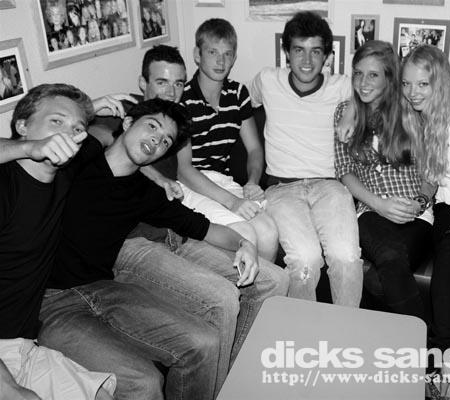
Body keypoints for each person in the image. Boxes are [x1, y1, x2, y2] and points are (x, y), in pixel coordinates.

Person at [39, 98, 276, 400]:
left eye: (165, 141)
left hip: (104, 289)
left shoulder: (145, 193)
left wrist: (245, 243)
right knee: (146, 382)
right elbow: (66, 135)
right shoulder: (79, 160)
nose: (157, 140)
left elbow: (201, 226)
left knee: (205, 343)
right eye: (152, 126)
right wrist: (90, 112)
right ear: (127, 123)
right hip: (52, 301)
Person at [88, 44, 289, 394]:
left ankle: (236, 373)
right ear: (142, 83)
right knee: (224, 297)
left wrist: (242, 242)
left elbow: (183, 175)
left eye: (179, 83)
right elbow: (95, 141)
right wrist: (92, 113)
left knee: (275, 279)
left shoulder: (175, 125)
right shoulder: (124, 120)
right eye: (162, 82)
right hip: (133, 243)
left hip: (173, 227)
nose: (172, 91)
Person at [0, 83, 117, 400]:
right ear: (22, 126)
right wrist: (9, 389)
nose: (68, 134)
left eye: (76, 129)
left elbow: (105, 136)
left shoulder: (67, 170)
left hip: (25, 346)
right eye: (56, 121)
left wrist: (93, 109)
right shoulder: (5, 186)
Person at [249, 11, 363, 306]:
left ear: (327, 56)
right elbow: (238, 105)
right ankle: (301, 326)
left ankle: (346, 327)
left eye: (316, 51)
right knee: (305, 259)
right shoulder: (267, 80)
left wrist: (351, 110)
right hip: (282, 188)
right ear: (286, 52)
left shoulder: (341, 86)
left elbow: (373, 98)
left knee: (346, 256)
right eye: (299, 50)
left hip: (330, 185)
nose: (307, 60)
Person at [146, 18, 279, 262]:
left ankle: (265, 287)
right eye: (212, 52)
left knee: (269, 232)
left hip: (223, 180)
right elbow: (184, 170)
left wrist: (252, 182)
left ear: (234, 58)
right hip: (190, 185)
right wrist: (232, 202)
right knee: (246, 234)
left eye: (227, 54)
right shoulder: (181, 98)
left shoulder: (238, 93)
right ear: (197, 55)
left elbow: (254, 150)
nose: (221, 61)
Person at [334, 41, 431, 320]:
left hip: (415, 212)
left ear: (389, 77)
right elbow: (344, 171)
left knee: (380, 279)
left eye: (373, 75)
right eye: (358, 73)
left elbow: (432, 173)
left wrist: (420, 202)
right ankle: (423, 341)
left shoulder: (411, 110)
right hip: (369, 209)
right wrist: (380, 205)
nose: (362, 83)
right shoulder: (344, 112)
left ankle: (395, 338)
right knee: (390, 257)